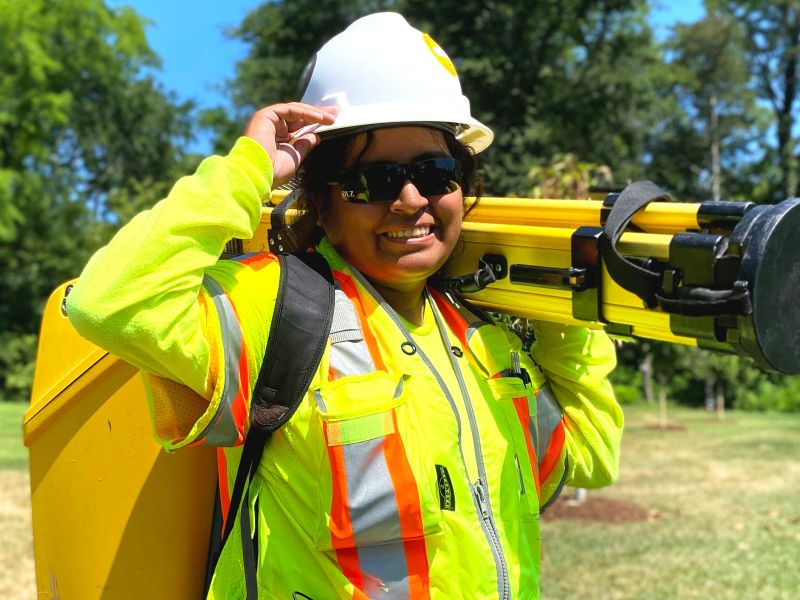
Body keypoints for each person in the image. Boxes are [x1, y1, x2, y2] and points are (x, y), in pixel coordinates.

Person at [67, 12, 623, 599]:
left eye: (436, 172)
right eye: (373, 180)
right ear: (322, 201)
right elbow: (109, 303)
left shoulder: (482, 341)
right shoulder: (275, 307)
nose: (411, 200)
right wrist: (250, 171)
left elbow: (588, 456)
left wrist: (565, 308)